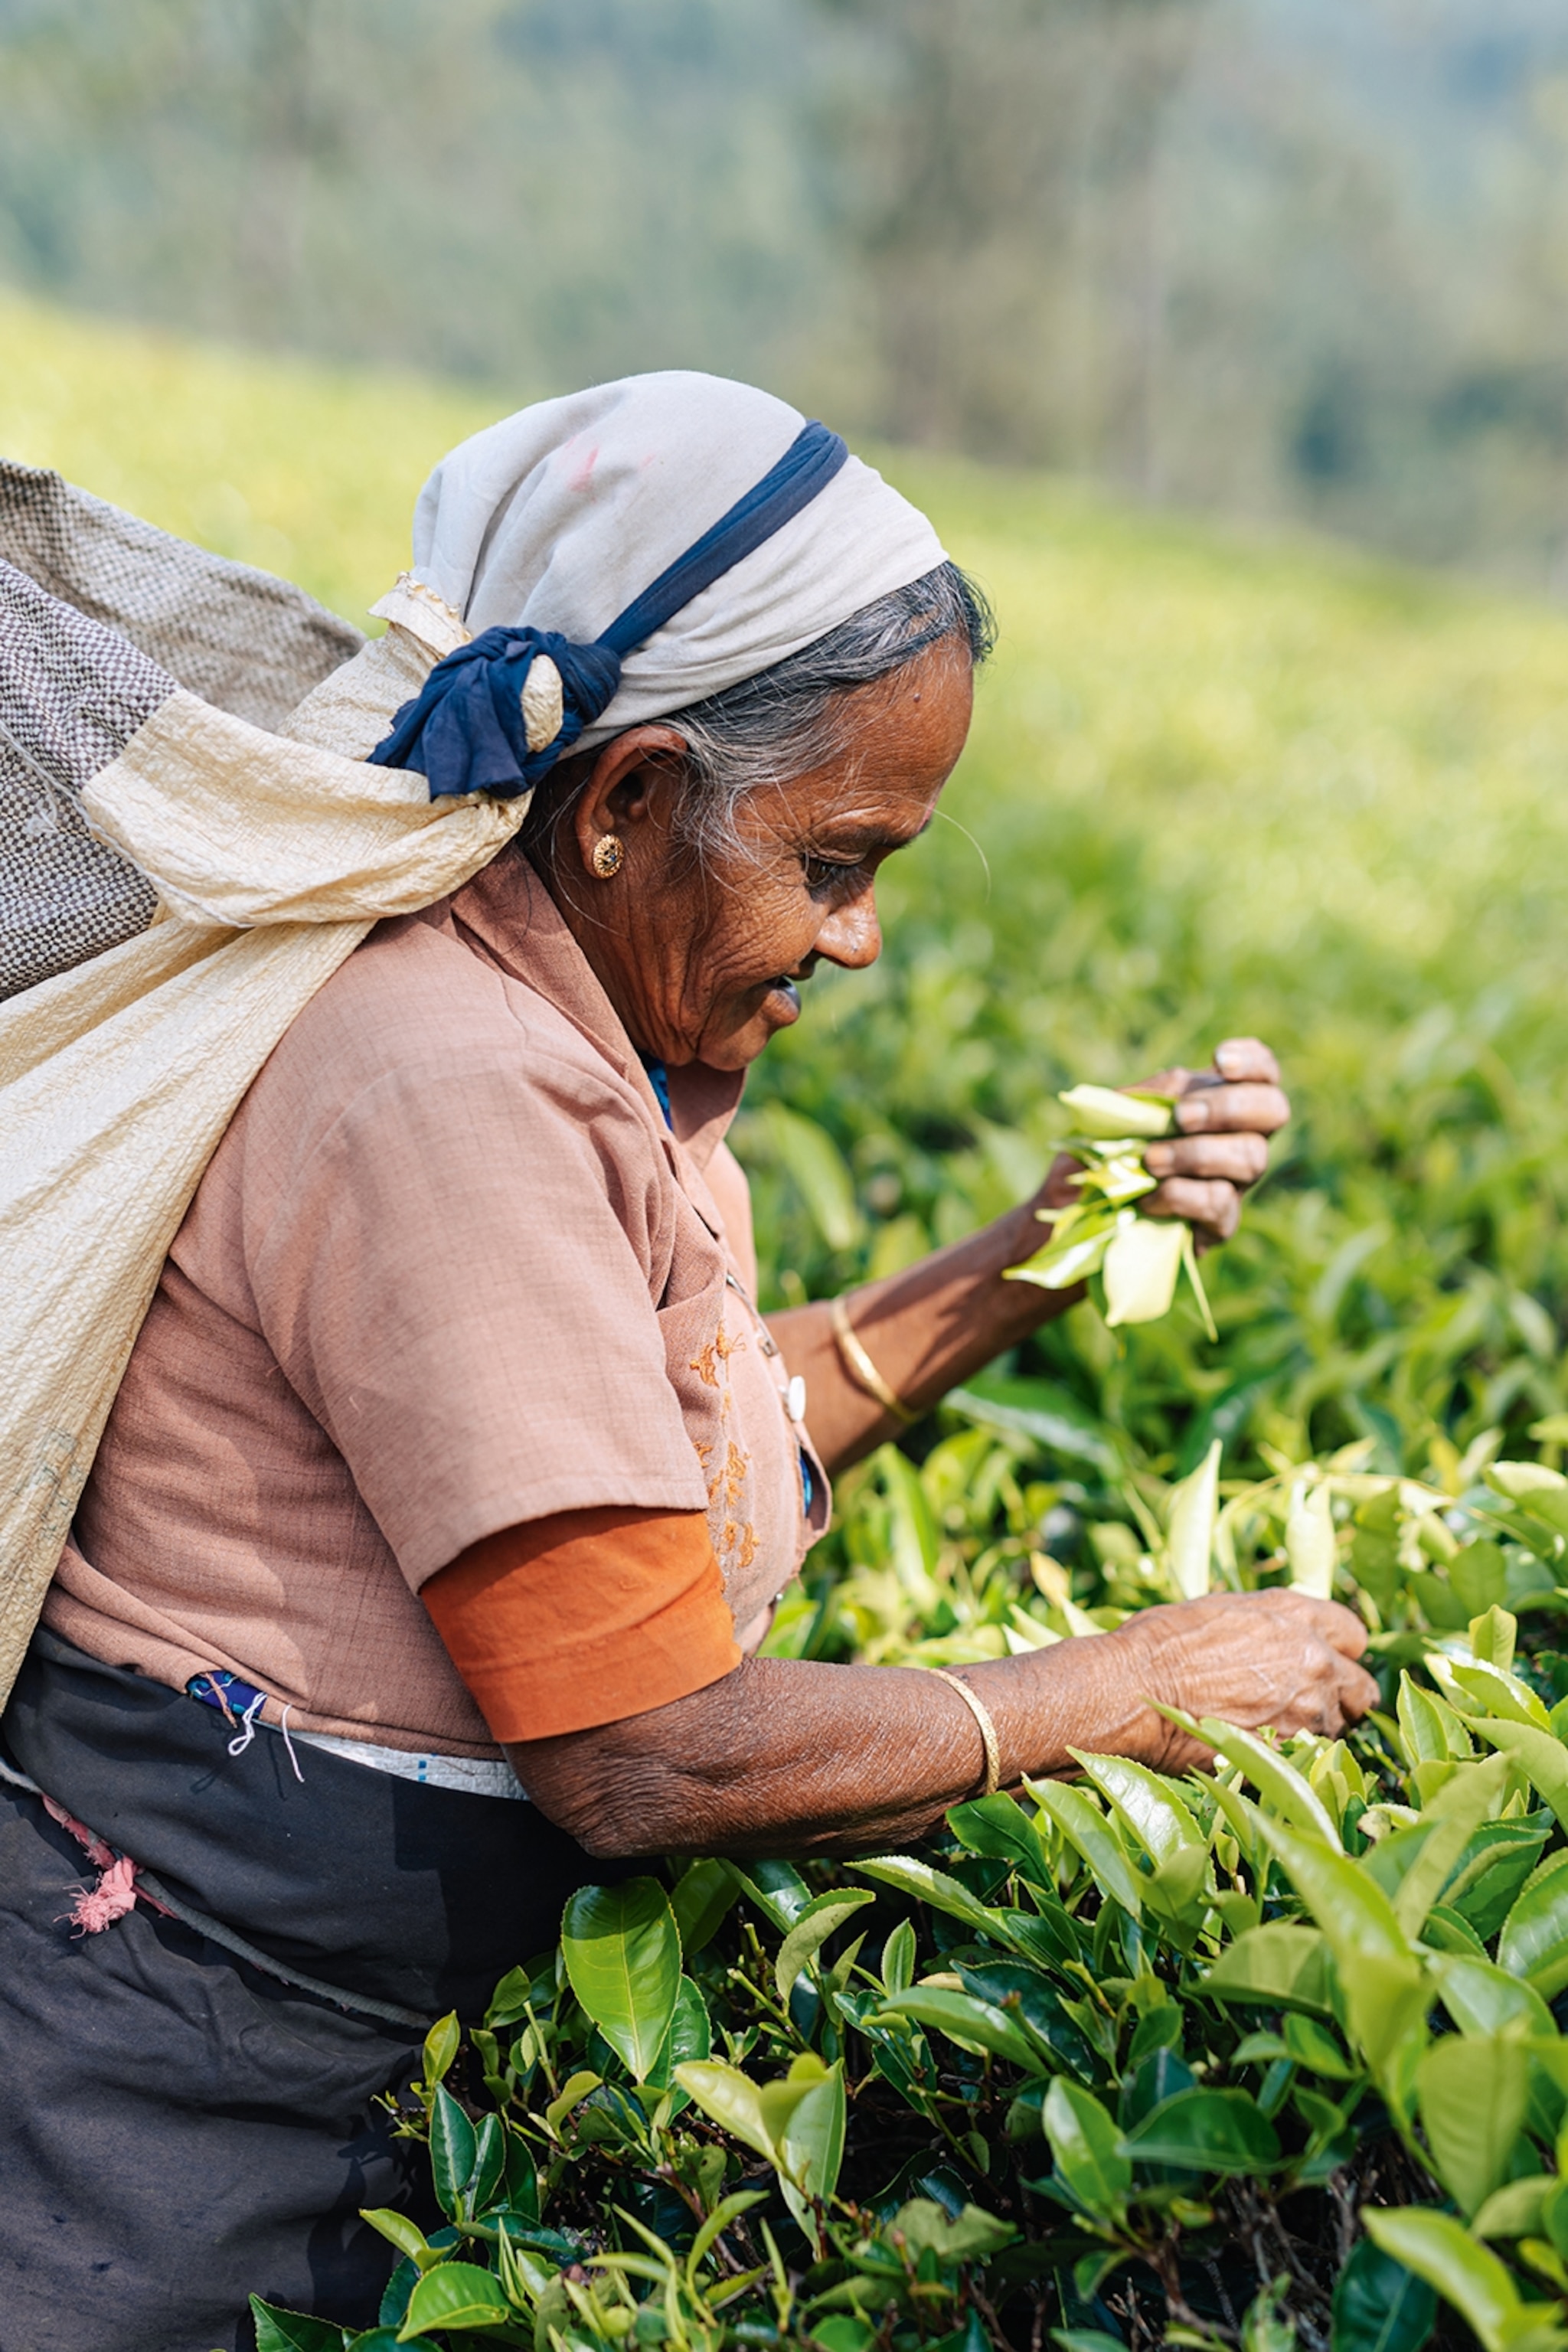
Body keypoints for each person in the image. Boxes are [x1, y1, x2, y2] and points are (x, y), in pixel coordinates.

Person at [0, 374, 1376, 2352]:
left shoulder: (544, 1015)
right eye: (835, 863)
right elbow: (643, 1743)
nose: (865, 937)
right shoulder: (446, 1085)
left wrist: (1040, 1256)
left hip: (292, 2073)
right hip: (158, 2132)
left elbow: (634, 1487)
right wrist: (1127, 1686)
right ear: (630, 800)